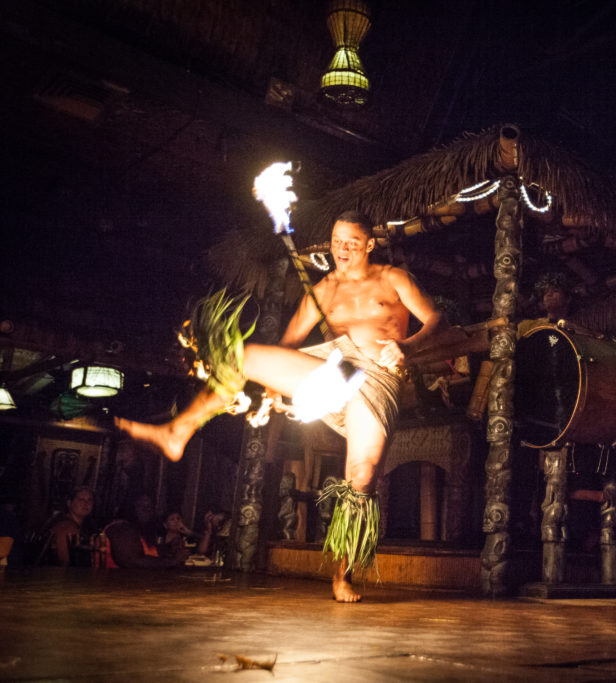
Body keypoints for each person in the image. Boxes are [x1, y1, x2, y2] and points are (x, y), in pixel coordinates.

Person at [116, 211, 441, 602]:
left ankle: (342, 576)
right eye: (338, 241)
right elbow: (287, 346)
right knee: (245, 356)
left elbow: (435, 319)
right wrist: (274, 389)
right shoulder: (321, 291)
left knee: (362, 476)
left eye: (353, 242)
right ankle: (178, 431)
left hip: (377, 380)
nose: (343, 249)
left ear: (370, 244)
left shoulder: (393, 278)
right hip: (334, 370)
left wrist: (406, 347)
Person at [103, 494, 187, 568]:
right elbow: (133, 561)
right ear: (130, 507)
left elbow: (150, 554)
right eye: (140, 506)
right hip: (115, 583)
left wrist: (171, 549)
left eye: (149, 506)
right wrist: (173, 561)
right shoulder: (121, 528)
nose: (146, 509)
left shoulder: (145, 529)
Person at [45, 486, 95, 567]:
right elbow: (65, 562)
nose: (86, 503)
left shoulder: (86, 526)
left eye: (90, 500)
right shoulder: (66, 527)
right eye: (81, 499)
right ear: (69, 503)